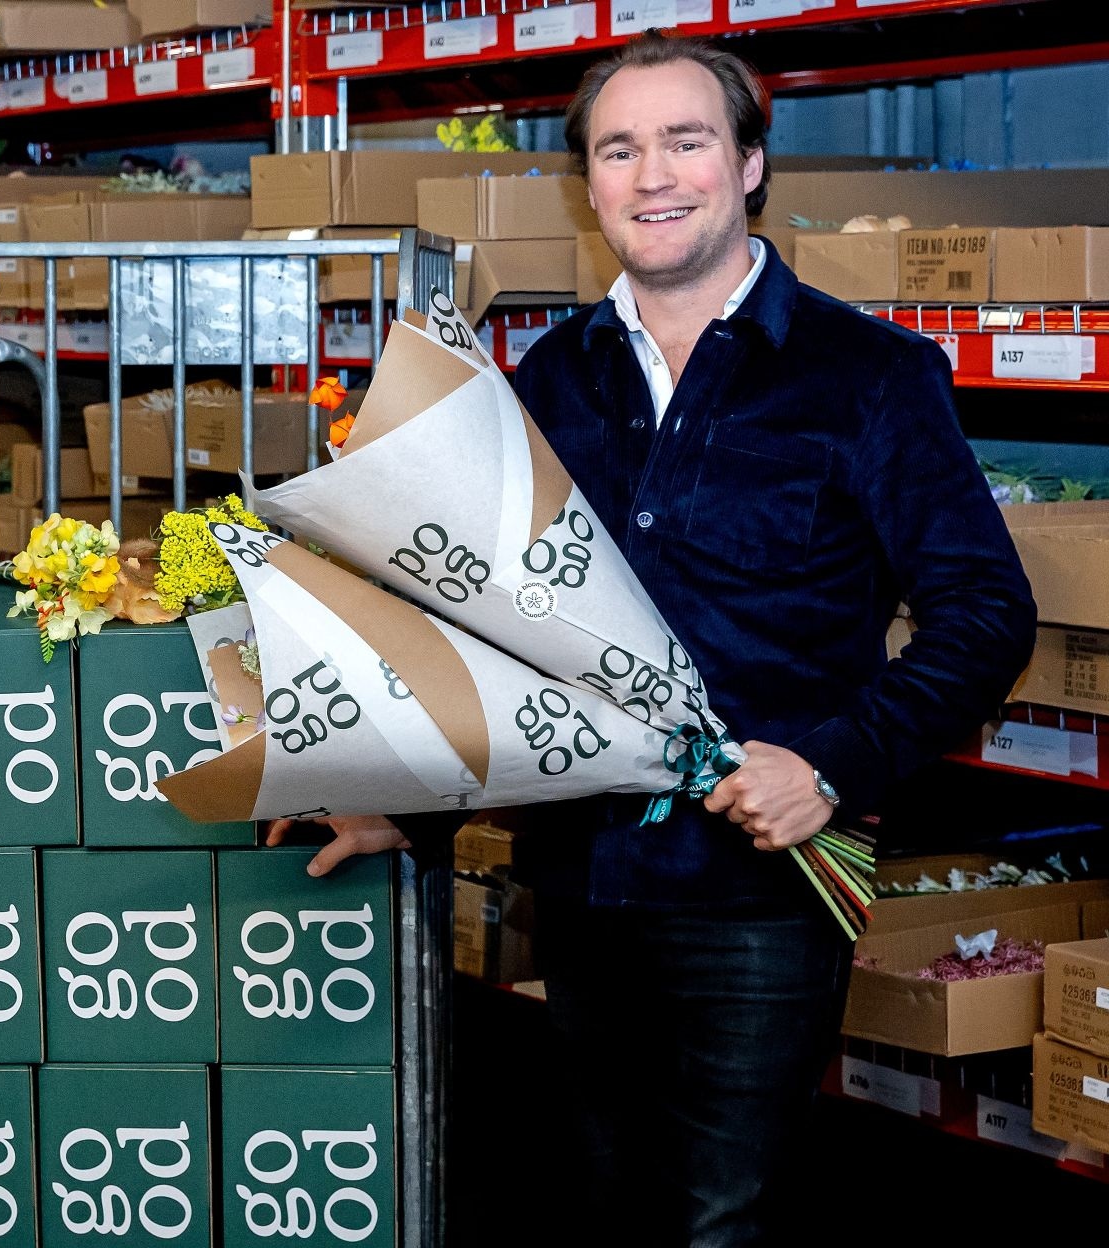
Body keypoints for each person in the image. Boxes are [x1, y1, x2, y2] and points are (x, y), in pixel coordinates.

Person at [269, 30, 1036, 1246]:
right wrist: (396, 804)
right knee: (607, 1210)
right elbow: (483, 625)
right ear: (590, 186)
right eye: (619, 150)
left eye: (686, 141)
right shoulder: (547, 381)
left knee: (719, 1225)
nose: (654, 174)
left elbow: (986, 613)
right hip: (582, 885)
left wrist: (831, 766)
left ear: (749, 166)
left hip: (759, 894)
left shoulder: (869, 375)